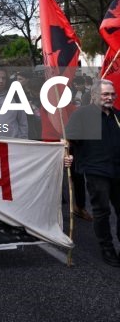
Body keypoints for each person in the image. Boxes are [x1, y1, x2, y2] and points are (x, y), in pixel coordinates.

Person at [65, 79, 120, 267]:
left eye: (112, 94)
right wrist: (68, 158)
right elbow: (69, 141)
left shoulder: (117, 116)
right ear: (95, 95)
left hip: (117, 170)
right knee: (102, 211)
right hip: (96, 170)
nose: (110, 97)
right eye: (106, 94)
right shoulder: (82, 115)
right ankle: (107, 248)